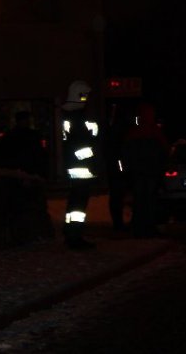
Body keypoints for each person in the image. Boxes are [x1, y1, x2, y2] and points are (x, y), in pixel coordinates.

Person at [60, 79, 100, 250]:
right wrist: (93, 157)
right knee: (78, 204)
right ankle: (74, 236)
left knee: (75, 203)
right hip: (82, 168)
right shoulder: (76, 117)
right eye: (85, 96)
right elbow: (78, 145)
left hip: (78, 167)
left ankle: (71, 233)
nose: (87, 99)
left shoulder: (72, 115)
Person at [121, 102, 169, 238]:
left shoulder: (133, 133)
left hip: (139, 173)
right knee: (149, 200)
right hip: (150, 173)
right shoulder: (155, 133)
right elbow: (164, 152)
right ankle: (148, 227)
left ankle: (139, 227)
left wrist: (127, 169)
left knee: (140, 200)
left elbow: (126, 153)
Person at [104, 103, 133, 231]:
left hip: (118, 166)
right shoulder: (120, 128)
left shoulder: (114, 128)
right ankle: (119, 223)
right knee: (118, 195)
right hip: (119, 167)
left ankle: (119, 222)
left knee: (118, 196)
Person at [0, 110, 48, 177]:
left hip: (17, 169)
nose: (28, 122)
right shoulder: (33, 135)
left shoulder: (10, 135)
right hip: (27, 169)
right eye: (26, 120)